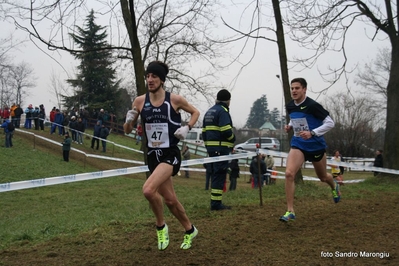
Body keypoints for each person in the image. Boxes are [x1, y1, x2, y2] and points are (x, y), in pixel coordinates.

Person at [123, 61, 200, 251]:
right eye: (148, 76)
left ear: (162, 80)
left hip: (170, 154)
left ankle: (160, 226)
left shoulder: (174, 99)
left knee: (149, 190)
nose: (150, 80)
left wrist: (187, 127)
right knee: (171, 200)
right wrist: (128, 121)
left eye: (154, 76)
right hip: (153, 156)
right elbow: (127, 130)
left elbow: (195, 112)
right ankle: (190, 230)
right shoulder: (139, 102)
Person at [280, 77, 339, 223]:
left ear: (304, 89)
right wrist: (290, 126)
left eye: (297, 88)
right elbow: (295, 118)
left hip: (315, 145)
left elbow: (330, 123)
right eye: (292, 88)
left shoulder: (313, 106)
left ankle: (334, 185)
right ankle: (290, 210)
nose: (294, 91)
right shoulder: (290, 106)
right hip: (299, 144)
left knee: (323, 177)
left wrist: (312, 133)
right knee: (289, 173)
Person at [202, 89, 236, 210]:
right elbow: (226, 130)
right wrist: (233, 139)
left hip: (211, 149)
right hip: (221, 149)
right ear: (228, 101)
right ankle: (216, 204)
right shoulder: (223, 111)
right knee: (220, 175)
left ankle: (215, 202)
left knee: (215, 174)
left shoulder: (209, 111)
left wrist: (208, 147)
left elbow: (204, 133)